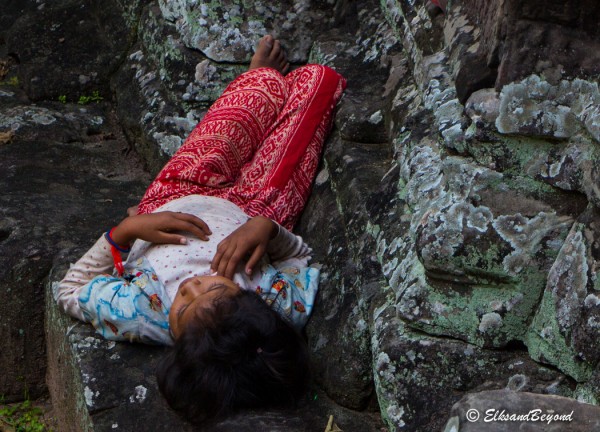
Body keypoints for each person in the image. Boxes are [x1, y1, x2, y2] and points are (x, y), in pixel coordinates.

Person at [54, 35, 346, 423]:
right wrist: (268, 231)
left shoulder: (138, 315)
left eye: (183, 309)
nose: (191, 288)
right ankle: (264, 85)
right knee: (320, 81)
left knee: (264, 88)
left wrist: (126, 231)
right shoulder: (274, 308)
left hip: (174, 194)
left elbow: (69, 290)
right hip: (259, 204)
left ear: (172, 339)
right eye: (214, 287)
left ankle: (256, 78)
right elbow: (299, 258)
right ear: (252, 302)